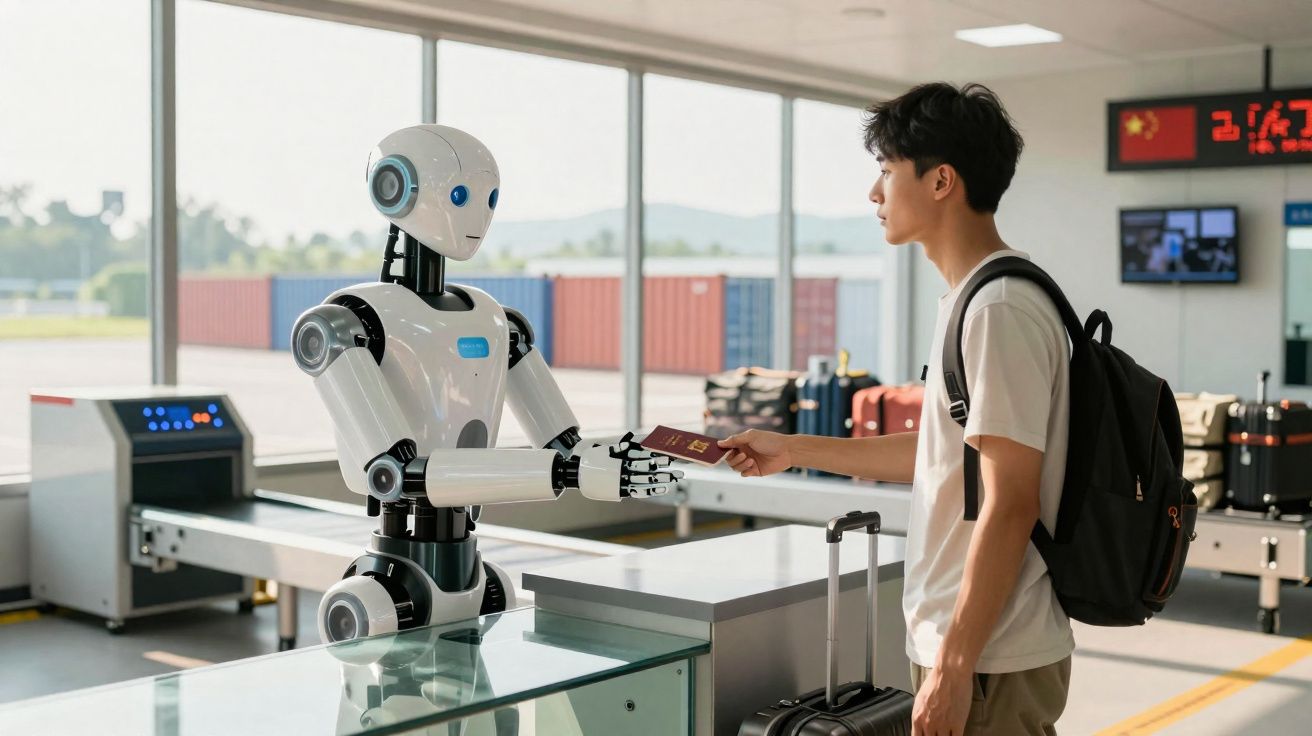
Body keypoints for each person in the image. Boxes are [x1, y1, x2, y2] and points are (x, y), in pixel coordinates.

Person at [719, 82, 1073, 736]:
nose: (874, 194)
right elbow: (943, 458)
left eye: (885, 171)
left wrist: (955, 666)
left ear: (941, 181)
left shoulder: (998, 310)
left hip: (991, 654)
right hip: (970, 645)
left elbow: (1011, 499)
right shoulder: (975, 302)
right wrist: (794, 448)